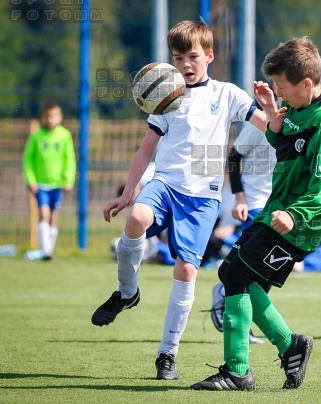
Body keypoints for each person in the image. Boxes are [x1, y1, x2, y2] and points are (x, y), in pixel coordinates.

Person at [90, 20, 267, 381]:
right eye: (177, 57)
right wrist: (127, 193)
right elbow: (144, 151)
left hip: (202, 199)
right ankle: (127, 292)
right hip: (165, 184)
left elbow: (270, 126)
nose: (185, 64)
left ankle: (167, 354)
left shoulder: (227, 94)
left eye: (192, 56)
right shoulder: (166, 96)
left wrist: (271, 107)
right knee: (136, 217)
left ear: (209, 56)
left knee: (186, 272)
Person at [191, 36, 321, 391]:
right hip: (275, 213)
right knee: (230, 271)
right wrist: (273, 113)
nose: (280, 92)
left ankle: (238, 371)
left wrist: (295, 215)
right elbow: (282, 143)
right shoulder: (299, 110)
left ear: (306, 84)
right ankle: (291, 346)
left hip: (297, 223)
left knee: (238, 278)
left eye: (283, 87)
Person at [209, 94, 279, 344]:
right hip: (254, 205)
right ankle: (226, 295)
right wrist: (240, 199)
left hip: (277, 206)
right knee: (254, 267)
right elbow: (233, 157)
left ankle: (230, 301)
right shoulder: (261, 123)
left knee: (270, 269)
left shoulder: (300, 121)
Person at [22, 101, 76, 260]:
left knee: (53, 217)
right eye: (47, 117)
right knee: (44, 214)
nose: (50, 120)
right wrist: (30, 180)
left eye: (53, 117)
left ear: (60, 118)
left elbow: (70, 159)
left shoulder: (64, 135)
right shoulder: (36, 136)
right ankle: (45, 251)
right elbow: (27, 160)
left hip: (57, 184)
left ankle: (49, 251)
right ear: (42, 118)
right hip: (40, 184)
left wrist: (68, 180)